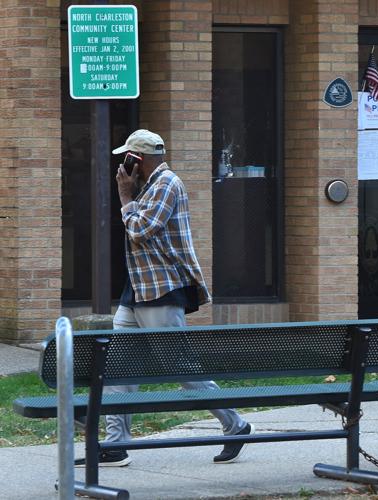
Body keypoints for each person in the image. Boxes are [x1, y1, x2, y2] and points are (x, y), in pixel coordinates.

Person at [75, 129, 252, 467]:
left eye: (127, 159)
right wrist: (132, 194)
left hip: (162, 289)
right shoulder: (150, 186)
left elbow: (140, 231)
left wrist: (125, 196)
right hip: (138, 290)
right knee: (118, 367)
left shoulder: (168, 183)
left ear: (137, 159)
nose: (124, 166)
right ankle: (116, 444)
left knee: (181, 366)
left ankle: (236, 424)